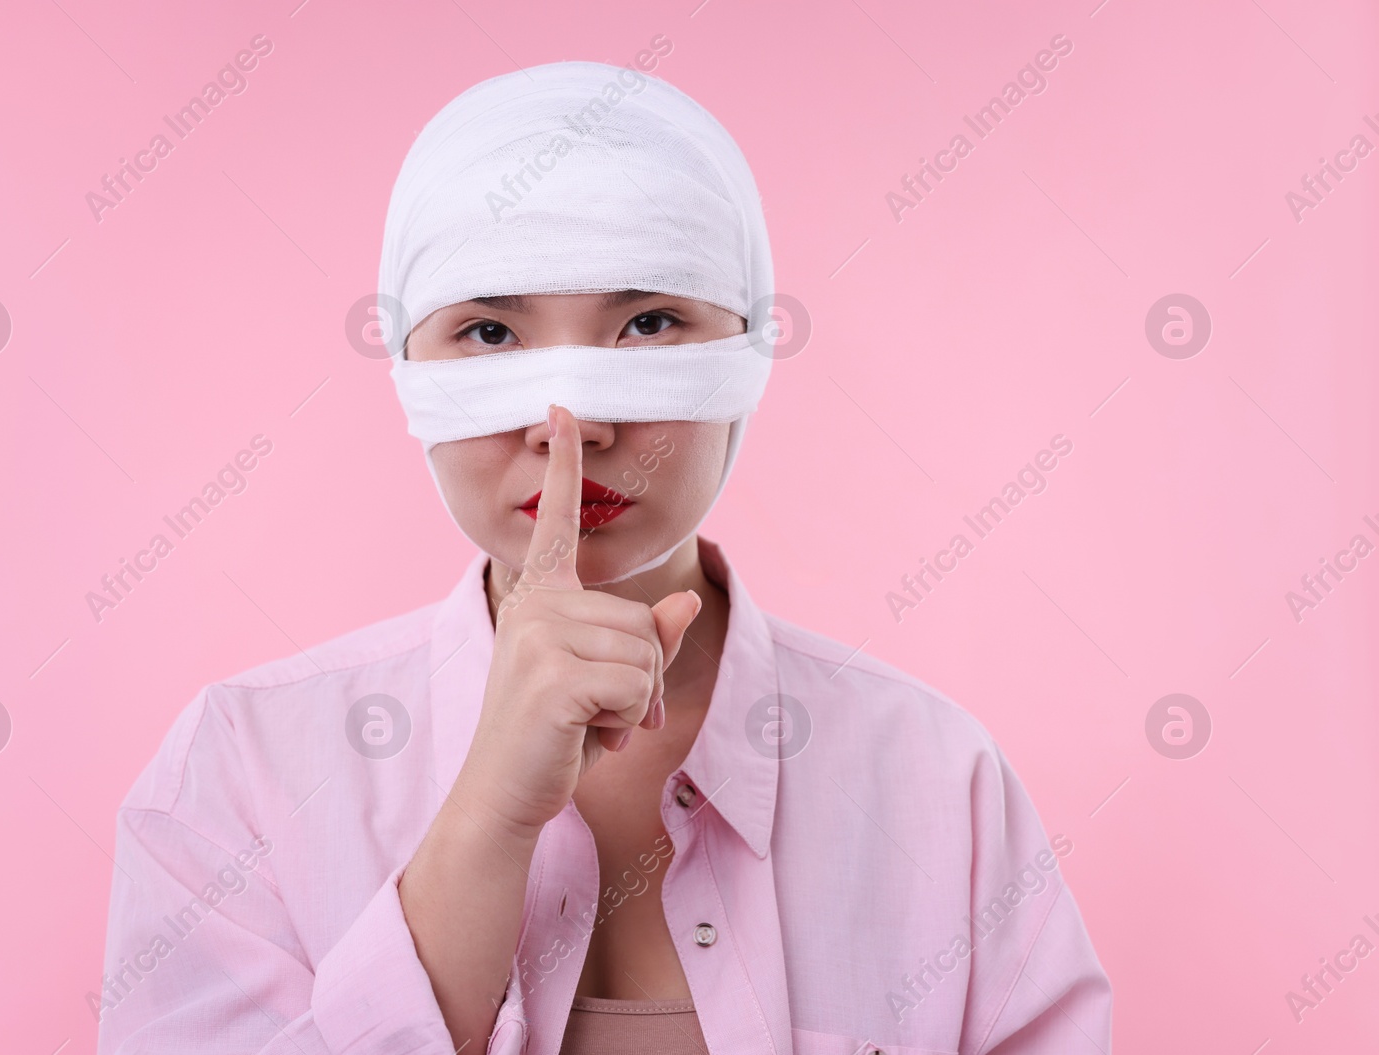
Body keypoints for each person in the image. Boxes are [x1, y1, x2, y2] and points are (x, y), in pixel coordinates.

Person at [95, 61, 1112, 1055]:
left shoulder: (935, 779)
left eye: (651, 322)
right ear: (409, 364)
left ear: (748, 346)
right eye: (490, 331)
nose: (571, 421)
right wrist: (487, 816)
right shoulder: (240, 771)